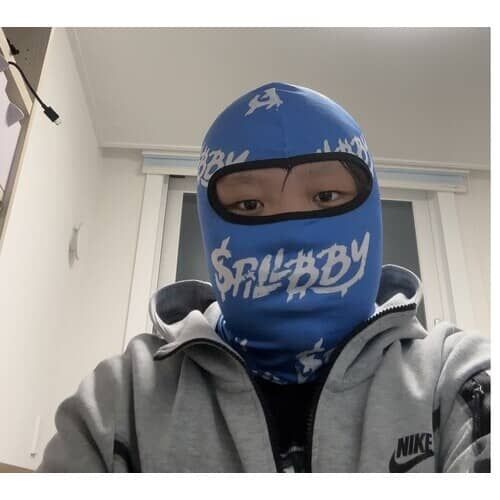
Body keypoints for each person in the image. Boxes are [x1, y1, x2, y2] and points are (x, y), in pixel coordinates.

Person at [37, 82, 490, 473]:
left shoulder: (453, 378)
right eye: (249, 205)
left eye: (326, 196)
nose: (291, 234)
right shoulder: (125, 398)